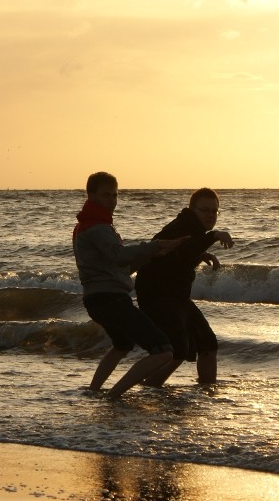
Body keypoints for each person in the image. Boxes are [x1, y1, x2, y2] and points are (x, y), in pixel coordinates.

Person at [72, 171, 186, 399]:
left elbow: (120, 267)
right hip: (110, 300)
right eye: (106, 195)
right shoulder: (97, 228)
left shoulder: (92, 225)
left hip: (97, 300)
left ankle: (93, 391)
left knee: (122, 345)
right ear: (91, 195)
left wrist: (151, 255)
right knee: (163, 351)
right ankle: (113, 396)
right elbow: (120, 256)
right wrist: (155, 246)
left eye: (115, 195)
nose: (112, 201)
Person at [135, 188, 234, 386]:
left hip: (176, 297)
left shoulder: (192, 229)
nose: (210, 215)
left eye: (214, 211)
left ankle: (207, 391)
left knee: (208, 344)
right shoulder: (182, 227)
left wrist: (202, 254)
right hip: (158, 296)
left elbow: (180, 255)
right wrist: (213, 236)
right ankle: (148, 387)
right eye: (204, 210)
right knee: (177, 350)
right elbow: (184, 248)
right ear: (192, 209)